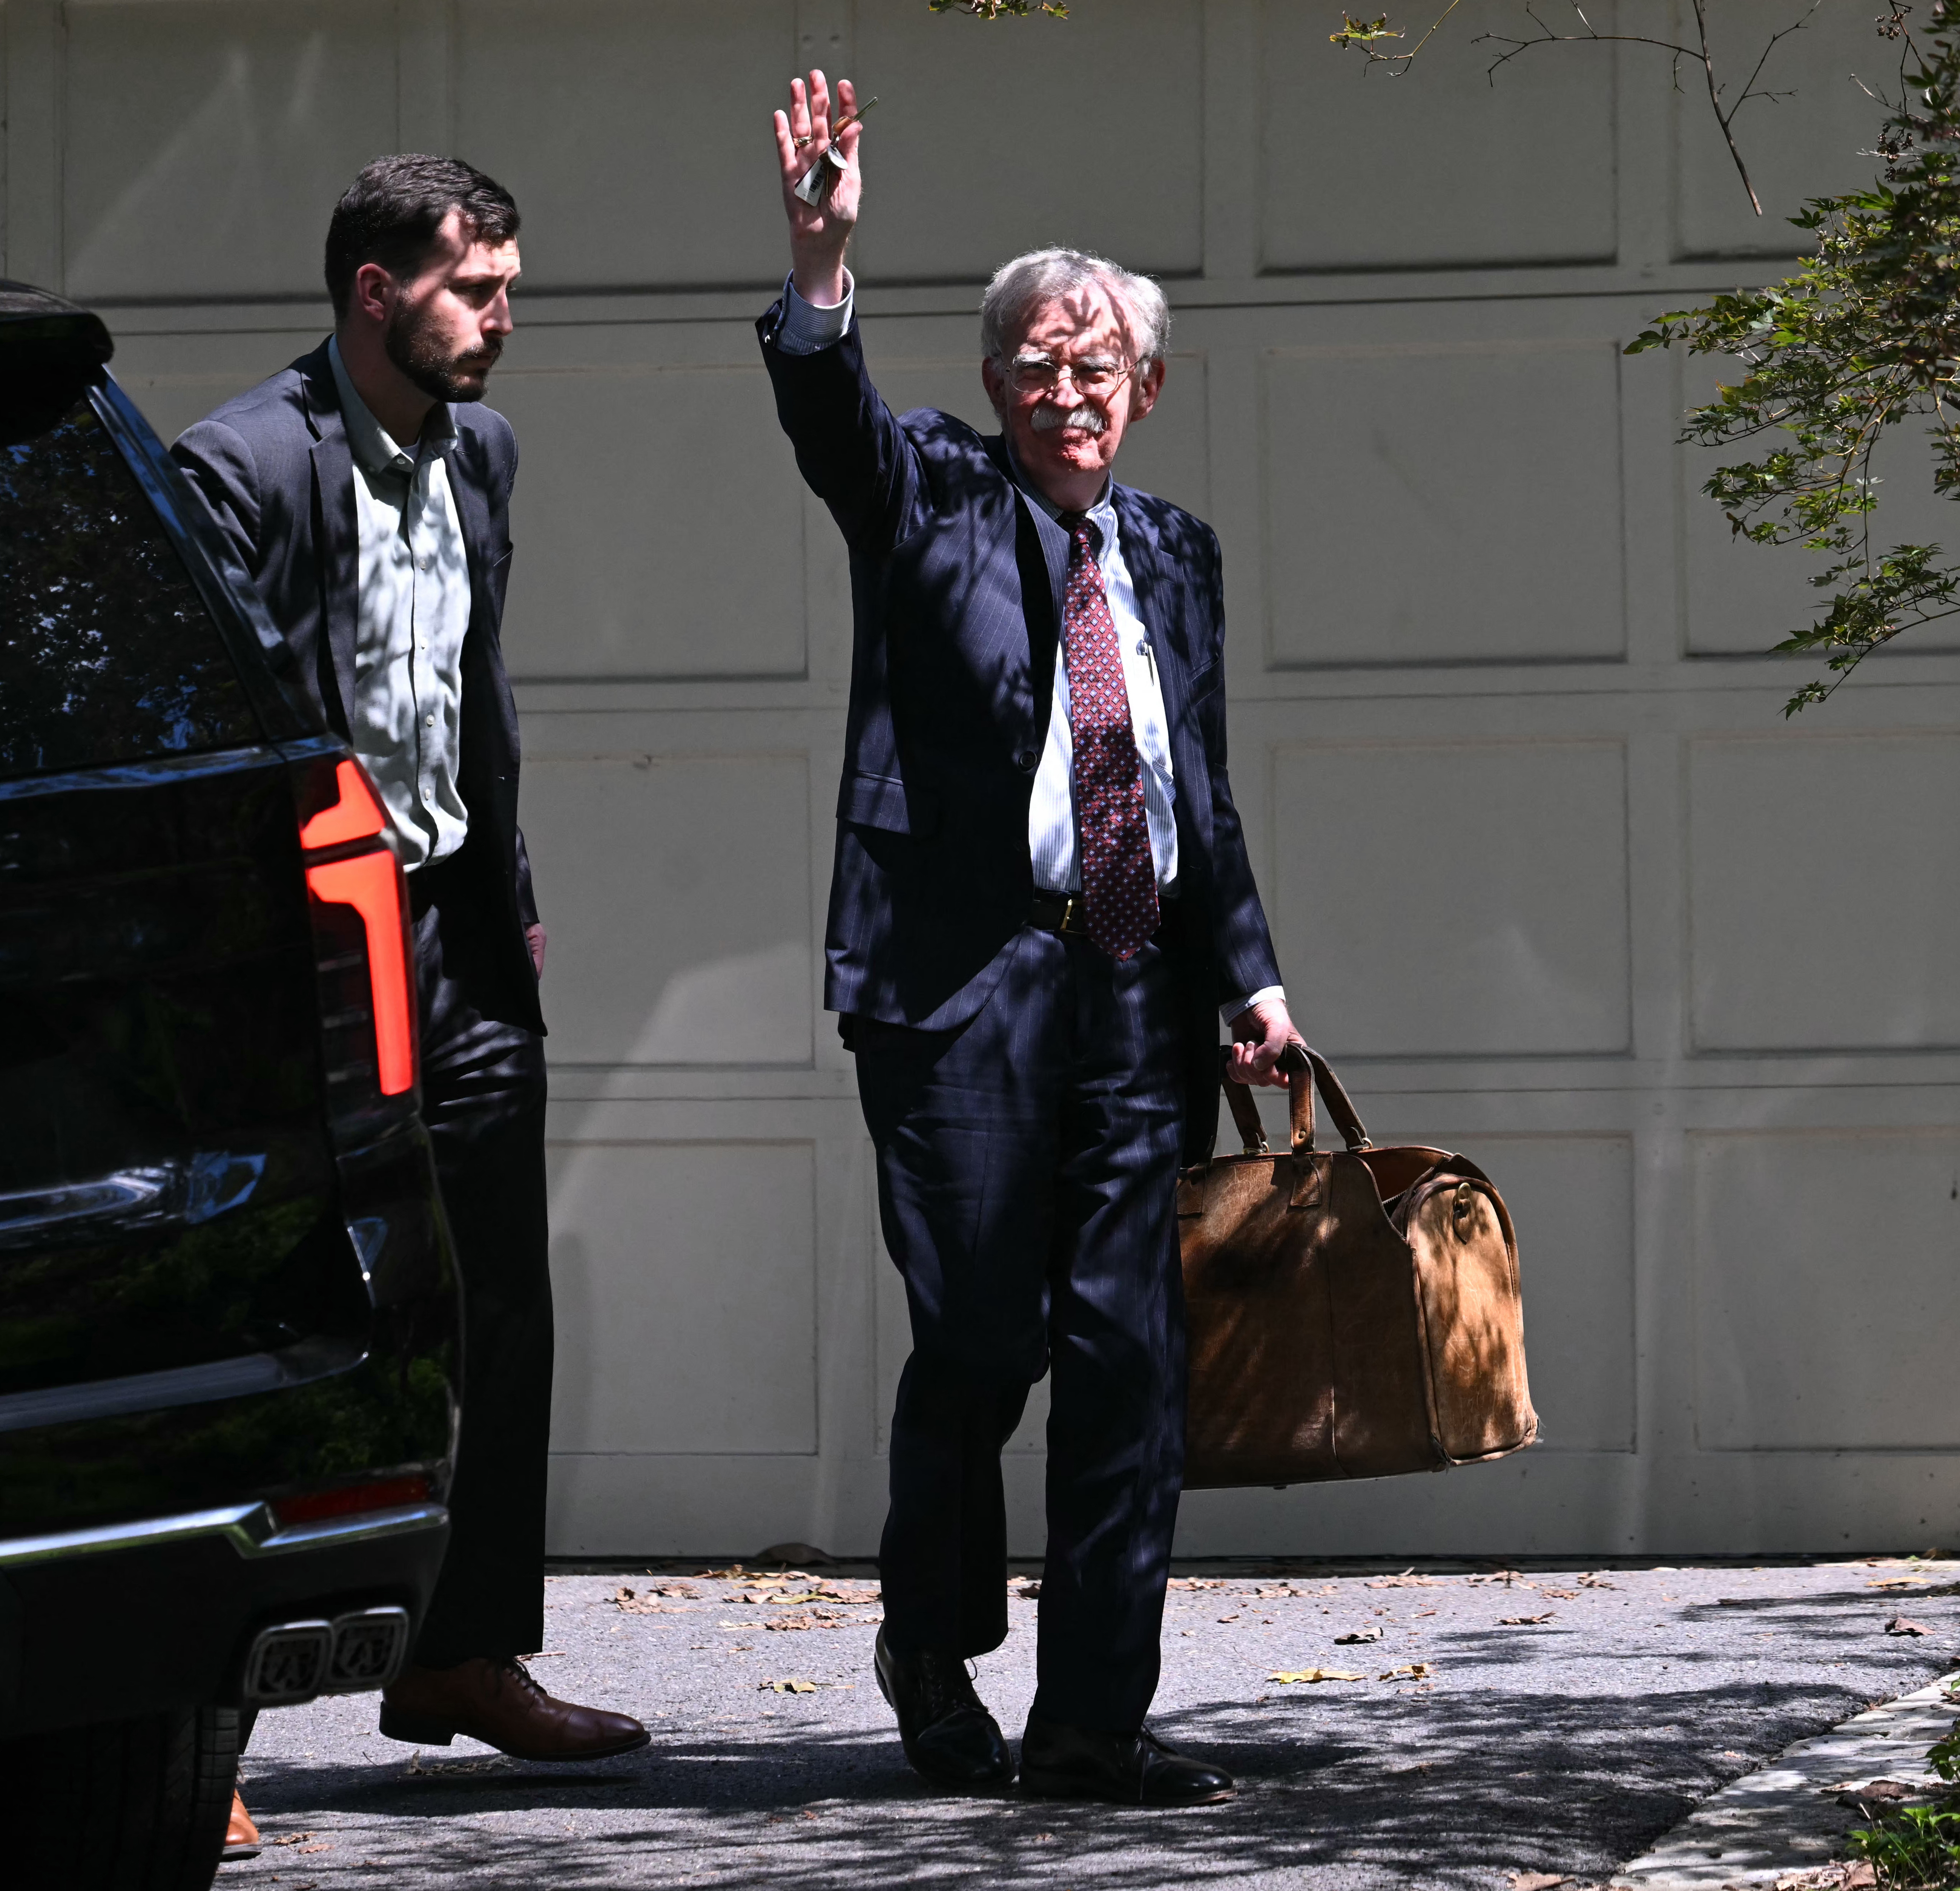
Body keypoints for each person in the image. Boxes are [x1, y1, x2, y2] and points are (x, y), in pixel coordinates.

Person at [759, 74, 1302, 1807]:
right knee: (985, 1339)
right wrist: (822, 264)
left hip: (1136, 993)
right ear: (998, 385)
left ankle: (1090, 1727)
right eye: (1040, 368)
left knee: (1132, 1362)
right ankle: (931, 1641)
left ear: (1148, 387)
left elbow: (1195, 783)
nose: (1072, 394)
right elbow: (831, 418)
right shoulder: (928, 491)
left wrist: (1252, 978)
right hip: (959, 992)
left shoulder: (1179, 556)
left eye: (1100, 368)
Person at [172, 159, 649, 1818]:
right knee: (278, 1311)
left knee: (496, 1300)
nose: (505, 316)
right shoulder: (243, 466)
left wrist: (508, 895)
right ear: (377, 292)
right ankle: (194, 1735)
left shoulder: (484, 454)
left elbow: (465, 691)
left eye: (511, 285)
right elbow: (224, 741)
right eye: (476, 287)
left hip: (458, 928)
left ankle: (459, 1651)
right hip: (308, 942)